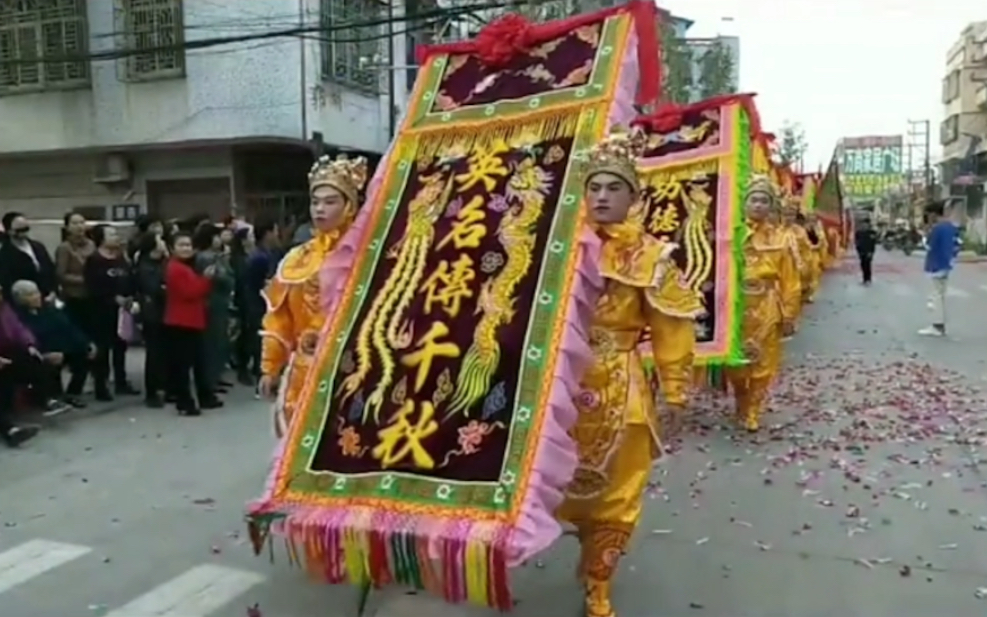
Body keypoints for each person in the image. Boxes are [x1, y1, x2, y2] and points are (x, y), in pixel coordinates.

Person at [555, 127, 703, 617]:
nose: (601, 196)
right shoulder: (556, 250)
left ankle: (599, 581)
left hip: (621, 385)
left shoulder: (651, 257)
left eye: (613, 187)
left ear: (634, 197)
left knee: (617, 495)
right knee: (551, 484)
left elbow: (671, 329)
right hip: (556, 386)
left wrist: (676, 391)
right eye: (593, 187)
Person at [259, 155, 366, 437]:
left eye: (330, 202)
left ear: (349, 206)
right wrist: (270, 367)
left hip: (356, 372)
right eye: (315, 201)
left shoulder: (369, 255)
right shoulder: (297, 258)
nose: (320, 209)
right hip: (304, 371)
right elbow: (278, 318)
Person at [724, 175, 801, 432]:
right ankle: (740, 400)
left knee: (763, 362)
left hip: (766, 306)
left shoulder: (780, 239)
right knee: (735, 364)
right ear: (744, 203)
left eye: (763, 201)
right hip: (735, 307)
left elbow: (791, 281)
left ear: (771, 207)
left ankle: (754, 410)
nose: (757, 205)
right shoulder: (730, 235)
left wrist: (789, 314)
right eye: (753, 200)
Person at [10, 279, 95, 409]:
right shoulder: (17, 316)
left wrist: (87, 343)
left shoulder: (49, 310)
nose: (37, 296)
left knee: (84, 355)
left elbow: (69, 327)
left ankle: (72, 393)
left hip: (61, 348)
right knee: (44, 365)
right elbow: (26, 339)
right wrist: (45, 353)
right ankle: (48, 397)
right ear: (21, 299)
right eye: (31, 295)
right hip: (41, 352)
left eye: (36, 292)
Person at [164, 231, 221, 415]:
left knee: (197, 361)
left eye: (188, 245)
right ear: (173, 249)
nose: (186, 248)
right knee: (183, 365)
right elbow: (190, 292)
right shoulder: (175, 268)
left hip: (191, 320)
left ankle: (202, 397)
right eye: (181, 245)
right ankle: (184, 402)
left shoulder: (184, 267)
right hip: (182, 321)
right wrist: (206, 279)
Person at [84, 224, 139, 401]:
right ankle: (101, 385)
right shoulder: (94, 260)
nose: (116, 237)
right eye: (111, 234)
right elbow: (92, 286)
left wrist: (130, 297)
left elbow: (130, 278)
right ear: (101, 238)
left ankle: (121, 382)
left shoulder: (121, 258)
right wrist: (112, 297)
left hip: (122, 311)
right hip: (101, 310)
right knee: (103, 349)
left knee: (120, 346)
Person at [0, 293, 65, 419]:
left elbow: (19, 329)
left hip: (10, 350)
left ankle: (45, 399)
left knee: (38, 362)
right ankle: (6, 420)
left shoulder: (5, 309)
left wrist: (29, 345)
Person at [193, 225, 235, 395]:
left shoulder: (217, 256)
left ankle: (216, 376)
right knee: (212, 342)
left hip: (220, 301)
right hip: (212, 301)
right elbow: (221, 277)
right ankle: (210, 378)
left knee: (221, 340)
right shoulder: (206, 257)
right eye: (216, 237)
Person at [133, 233, 169, 407]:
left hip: (165, 311)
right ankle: (152, 391)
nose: (163, 243)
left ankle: (164, 386)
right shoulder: (146, 266)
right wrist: (165, 288)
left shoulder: (163, 262)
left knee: (164, 353)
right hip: (153, 313)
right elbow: (155, 288)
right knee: (154, 353)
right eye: (160, 241)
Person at [919, 200, 960, 337]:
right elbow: (957, 245)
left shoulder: (937, 229)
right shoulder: (952, 227)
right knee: (941, 295)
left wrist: (926, 234)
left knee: (935, 296)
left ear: (934, 214)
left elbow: (928, 246)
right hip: (947, 265)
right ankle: (939, 325)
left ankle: (937, 326)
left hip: (936, 265)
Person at [55, 212, 96, 337]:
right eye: (75, 223)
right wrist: (84, 280)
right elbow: (61, 274)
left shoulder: (92, 244)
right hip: (74, 297)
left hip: (94, 295)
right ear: (67, 227)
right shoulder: (64, 248)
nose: (79, 226)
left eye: (82, 222)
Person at [0, 212, 57, 302]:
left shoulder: (38, 246)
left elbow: (50, 269)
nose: (24, 233)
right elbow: (7, 283)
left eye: (26, 229)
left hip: (48, 297)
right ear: (9, 231)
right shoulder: (5, 254)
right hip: (25, 303)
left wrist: (54, 291)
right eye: (19, 230)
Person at [854, 217, 878, 285]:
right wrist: (858, 249)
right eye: (863, 224)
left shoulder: (871, 232)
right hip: (861, 251)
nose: (864, 226)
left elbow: (873, 243)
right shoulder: (858, 232)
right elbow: (857, 242)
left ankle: (868, 279)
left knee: (868, 265)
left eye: (866, 224)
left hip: (868, 251)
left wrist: (871, 252)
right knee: (863, 265)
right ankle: (864, 278)